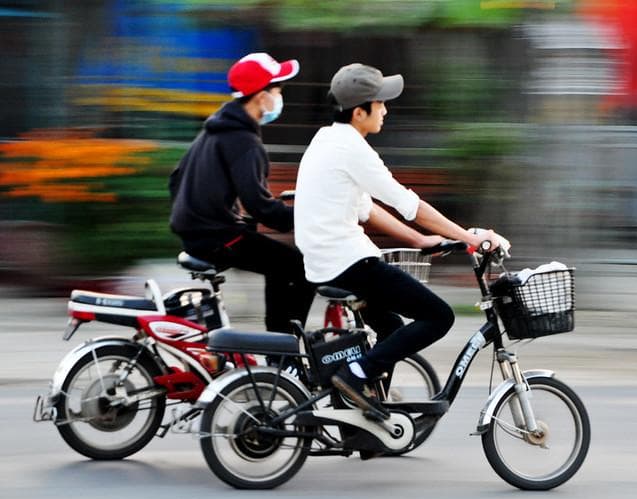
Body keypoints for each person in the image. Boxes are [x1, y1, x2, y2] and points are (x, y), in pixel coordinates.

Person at [293, 63, 506, 414]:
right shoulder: (352, 149)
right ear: (360, 111)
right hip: (348, 262)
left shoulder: (327, 139)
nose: (386, 110)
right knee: (438, 316)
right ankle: (355, 375)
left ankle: (366, 416)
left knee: (392, 328)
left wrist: (421, 241)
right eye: (380, 104)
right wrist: (468, 237)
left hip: (326, 263)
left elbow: (368, 209)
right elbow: (410, 204)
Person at [169, 52, 315, 333]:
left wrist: (227, 214)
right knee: (298, 267)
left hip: (195, 233)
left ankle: (280, 342)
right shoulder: (244, 141)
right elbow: (260, 207)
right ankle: (283, 347)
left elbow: (176, 180)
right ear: (261, 97)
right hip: (217, 237)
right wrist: (308, 216)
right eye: (277, 89)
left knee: (280, 262)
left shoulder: (214, 130)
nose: (280, 96)